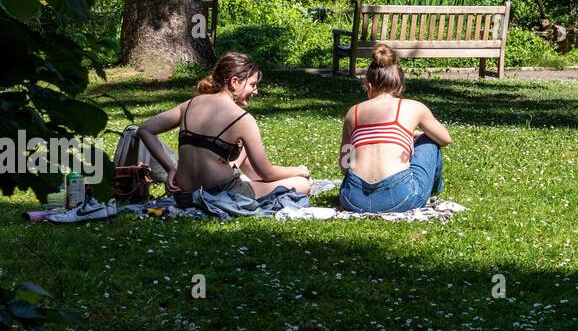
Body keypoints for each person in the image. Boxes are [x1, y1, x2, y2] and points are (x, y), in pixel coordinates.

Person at [137, 53, 312, 206]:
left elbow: (145, 129)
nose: (256, 91)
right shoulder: (242, 118)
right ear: (235, 82)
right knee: (302, 184)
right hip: (222, 194)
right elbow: (266, 172)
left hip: (183, 193)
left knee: (240, 147)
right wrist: (298, 170)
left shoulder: (190, 104)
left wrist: (171, 169)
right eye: (252, 85)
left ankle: (246, 178)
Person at [338, 44, 452, 213]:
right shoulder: (413, 107)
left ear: (369, 87)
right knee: (430, 140)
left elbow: (344, 165)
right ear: (399, 88)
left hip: (353, 199)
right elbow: (445, 138)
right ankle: (434, 190)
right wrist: (415, 137)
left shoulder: (352, 113)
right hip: (399, 197)